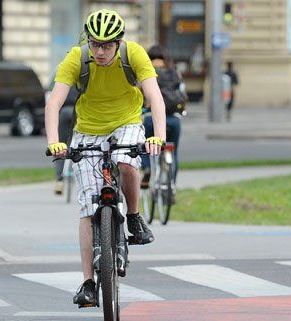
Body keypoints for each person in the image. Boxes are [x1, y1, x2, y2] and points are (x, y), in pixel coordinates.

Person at [45, 9, 166, 307]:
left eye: (107, 45)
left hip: (127, 123)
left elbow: (155, 97)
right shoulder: (76, 58)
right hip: (87, 130)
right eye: (95, 44)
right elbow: (54, 103)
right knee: (88, 207)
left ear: (119, 42)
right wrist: (55, 143)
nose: (99, 51)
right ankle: (88, 282)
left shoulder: (135, 54)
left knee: (126, 163)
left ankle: (135, 217)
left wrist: (157, 137)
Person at [141, 45, 185, 195]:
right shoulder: (176, 74)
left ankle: (146, 168)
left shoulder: (146, 72)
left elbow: (139, 96)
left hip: (150, 120)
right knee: (173, 152)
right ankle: (171, 186)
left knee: (144, 146)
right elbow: (182, 94)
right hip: (173, 120)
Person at [53, 105, 74, 195]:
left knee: (61, 145)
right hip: (78, 111)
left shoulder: (60, 90)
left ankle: (59, 180)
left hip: (64, 112)